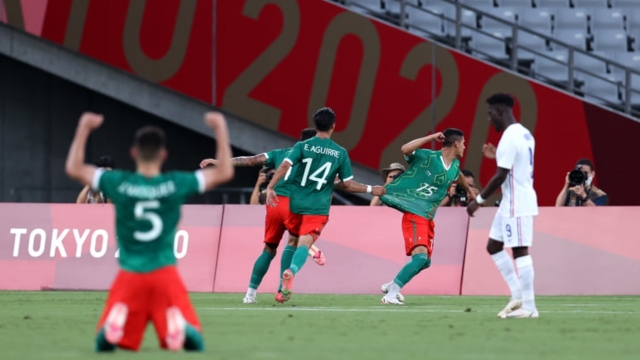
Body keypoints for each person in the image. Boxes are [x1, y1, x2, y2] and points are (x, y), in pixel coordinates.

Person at [65, 111, 234, 352]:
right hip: (165, 274)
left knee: (106, 342)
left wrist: (83, 127)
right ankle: (181, 327)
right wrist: (220, 129)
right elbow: (223, 173)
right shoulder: (175, 182)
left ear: (133, 153)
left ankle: (115, 323)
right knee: (195, 341)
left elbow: (73, 168)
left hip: (130, 274)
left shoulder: (119, 182)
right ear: (163, 155)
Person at [265, 107, 385, 302]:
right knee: (305, 243)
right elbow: (346, 184)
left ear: (315, 124)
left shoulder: (302, 146)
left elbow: (285, 166)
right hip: (318, 207)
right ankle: (291, 271)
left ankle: (281, 289)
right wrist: (371, 189)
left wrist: (271, 186)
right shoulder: (340, 153)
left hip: (296, 203)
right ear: (334, 126)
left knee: (292, 241)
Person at [199, 128, 326, 304]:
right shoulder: (316, 160)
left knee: (269, 248)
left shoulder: (280, 153)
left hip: (273, 203)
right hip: (293, 204)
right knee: (294, 242)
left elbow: (251, 161)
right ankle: (283, 287)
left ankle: (250, 294)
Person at [466, 93, 539, 319]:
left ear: (500, 111)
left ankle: (529, 306)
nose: (489, 120)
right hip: (511, 201)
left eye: (490, 114)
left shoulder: (509, 137)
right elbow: (515, 163)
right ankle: (517, 295)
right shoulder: (525, 134)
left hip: (518, 202)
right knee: (493, 246)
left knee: (520, 251)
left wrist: (477, 201)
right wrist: (496, 154)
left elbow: (500, 176)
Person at [378, 129, 470, 305]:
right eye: (463, 143)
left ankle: (392, 285)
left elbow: (458, 177)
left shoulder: (455, 165)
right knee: (419, 258)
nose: (465, 146)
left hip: (427, 216)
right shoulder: (428, 157)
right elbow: (405, 149)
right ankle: (391, 295)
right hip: (414, 212)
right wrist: (431, 137)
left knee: (425, 262)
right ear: (456, 144)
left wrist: (469, 190)